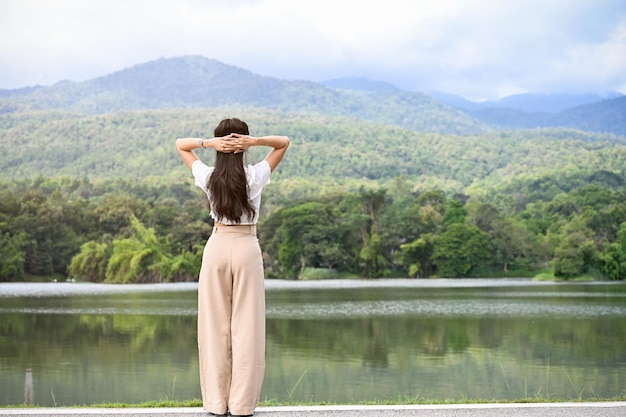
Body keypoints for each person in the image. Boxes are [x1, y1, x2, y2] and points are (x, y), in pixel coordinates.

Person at [176, 118, 289, 416]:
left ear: (220, 146)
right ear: (242, 144)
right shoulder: (255, 175)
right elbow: (284, 142)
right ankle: (240, 405)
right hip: (246, 248)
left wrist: (209, 144)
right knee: (247, 326)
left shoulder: (209, 176)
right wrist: (253, 143)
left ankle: (215, 403)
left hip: (216, 247)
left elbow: (181, 145)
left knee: (214, 326)